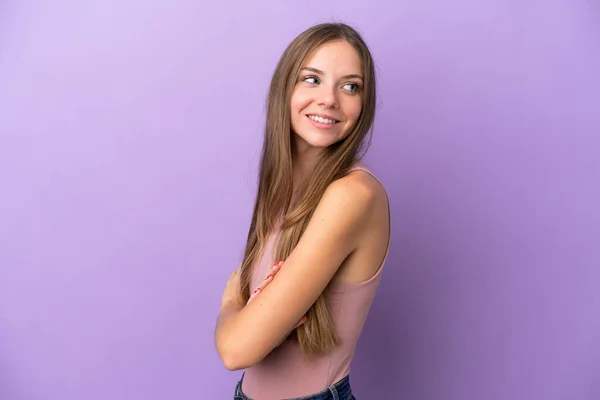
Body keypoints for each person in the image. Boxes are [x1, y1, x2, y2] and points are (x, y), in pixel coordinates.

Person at [214, 22, 391, 400]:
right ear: (286, 87)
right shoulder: (286, 187)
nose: (329, 99)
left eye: (350, 86)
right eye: (312, 79)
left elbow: (236, 350)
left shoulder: (353, 196)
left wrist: (230, 306)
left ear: (364, 103)